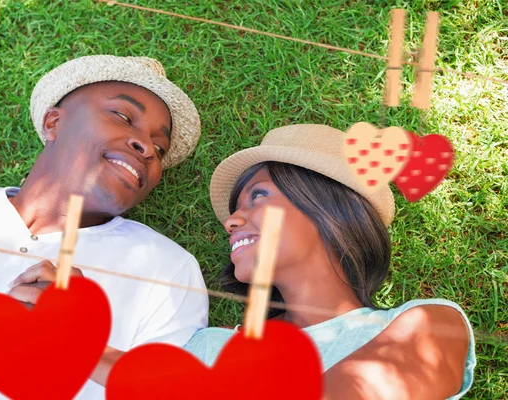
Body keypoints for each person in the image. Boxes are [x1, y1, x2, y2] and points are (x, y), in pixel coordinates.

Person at [0, 55, 209, 398]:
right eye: (123, 117)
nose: (147, 148)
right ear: (54, 122)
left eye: (160, 147)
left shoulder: (166, 270)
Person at [183, 124, 476, 399]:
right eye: (236, 208)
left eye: (258, 196)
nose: (231, 221)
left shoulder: (430, 325)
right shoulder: (209, 346)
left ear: (327, 208)